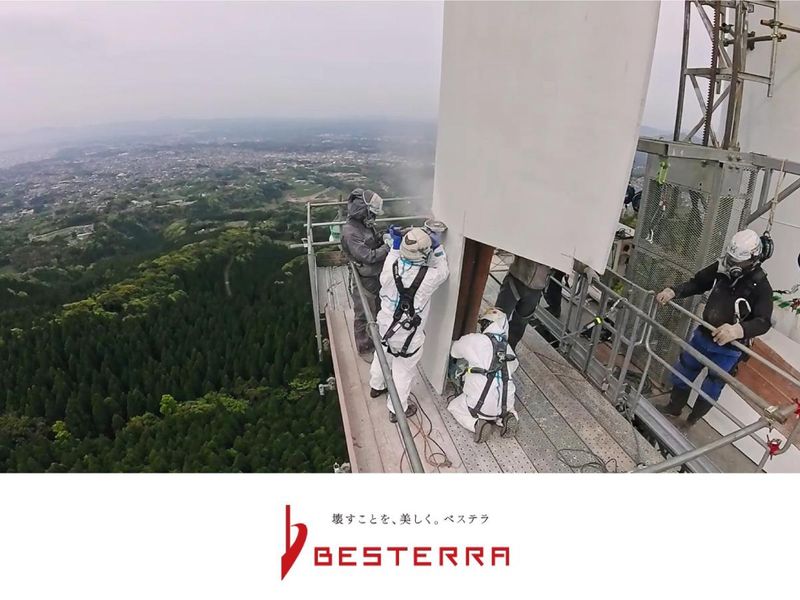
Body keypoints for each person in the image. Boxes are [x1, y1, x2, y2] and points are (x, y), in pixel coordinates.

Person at [655, 229, 773, 427]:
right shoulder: (722, 268)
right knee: (683, 370)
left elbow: (763, 321)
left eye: (737, 262)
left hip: (730, 348)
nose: (732, 265)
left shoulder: (761, 286)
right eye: (731, 259)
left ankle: (690, 422)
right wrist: (674, 291)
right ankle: (673, 408)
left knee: (712, 386)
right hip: (704, 335)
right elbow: (698, 283)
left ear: (753, 259)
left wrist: (737, 330)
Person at [369, 226, 449, 423]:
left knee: (383, 354)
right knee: (403, 370)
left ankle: (376, 386)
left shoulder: (391, 267)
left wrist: (397, 244)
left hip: (385, 325)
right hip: (408, 334)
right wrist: (437, 247)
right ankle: (397, 409)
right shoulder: (429, 277)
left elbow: (392, 256)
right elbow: (443, 271)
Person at [448, 307, 519, 443]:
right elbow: (514, 365)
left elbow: (454, 351)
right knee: (504, 397)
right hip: (506, 403)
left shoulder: (474, 339)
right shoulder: (508, 348)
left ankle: (477, 424)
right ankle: (508, 417)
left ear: (486, 324)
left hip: (479, 405)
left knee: (454, 407)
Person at [340, 189, 389, 362]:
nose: (373, 217)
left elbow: (372, 240)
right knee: (363, 312)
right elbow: (368, 256)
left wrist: (384, 236)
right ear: (363, 210)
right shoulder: (351, 232)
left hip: (374, 274)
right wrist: (388, 247)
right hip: (364, 278)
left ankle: (376, 338)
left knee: (377, 306)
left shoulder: (362, 224)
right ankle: (364, 346)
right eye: (371, 213)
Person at [495, 255, 552, 349]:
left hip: (536, 288)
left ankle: (508, 349)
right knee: (499, 317)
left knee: (519, 325)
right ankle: (490, 347)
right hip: (515, 278)